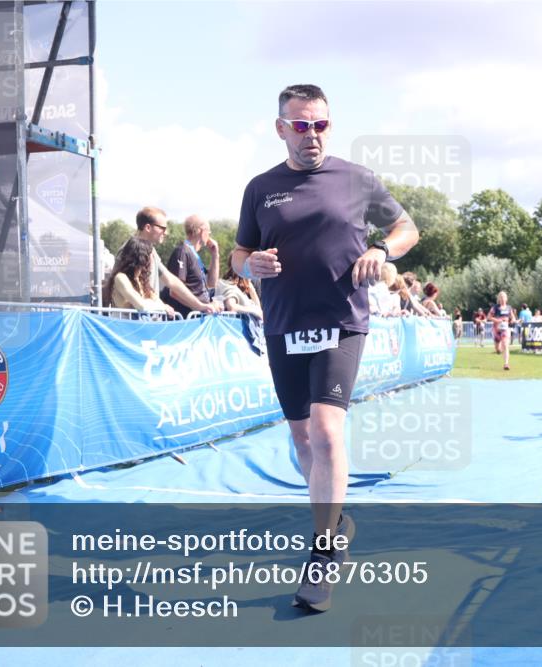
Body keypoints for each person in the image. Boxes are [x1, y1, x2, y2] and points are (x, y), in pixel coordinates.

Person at [232, 84, 419, 612]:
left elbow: (407, 228)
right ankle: (335, 518)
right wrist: (249, 266)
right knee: (301, 440)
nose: (311, 134)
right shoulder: (260, 188)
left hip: (342, 319)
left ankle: (323, 552)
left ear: (329, 126)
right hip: (283, 324)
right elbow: (239, 253)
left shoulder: (356, 179)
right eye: (300, 124)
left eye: (320, 125)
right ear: (280, 128)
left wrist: (382, 248)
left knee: (327, 431)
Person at [129, 206, 220, 316]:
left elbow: (171, 280)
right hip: (133, 322)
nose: (166, 233)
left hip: (147, 319)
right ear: (148, 227)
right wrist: (200, 307)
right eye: (162, 228)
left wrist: (201, 306)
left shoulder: (152, 252)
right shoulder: (131, 250)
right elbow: (129, 286)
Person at [102, 237, 176, 316]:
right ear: (142, 258)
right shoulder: (120, 278)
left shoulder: (141, 280)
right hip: (122, 327)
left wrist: (161, 306)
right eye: (151, 255)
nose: (153, 259)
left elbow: (157, 301)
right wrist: (162, 307)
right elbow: (142, 306)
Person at [162, 214, 219, 317]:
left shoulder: (194, 255)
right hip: (186, 320)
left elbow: (211, 283)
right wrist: (200, 307)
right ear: (202, 231)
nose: (209, 235)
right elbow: (174, 292)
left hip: (197, 317)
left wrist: (215, 255)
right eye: (208, 232)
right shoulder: (183, 251)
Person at [216, 250, 263, 318]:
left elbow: (260, 312)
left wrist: (252, 290)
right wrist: (253, 310)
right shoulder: (228, 285)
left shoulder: (244, 289)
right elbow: (232, 306)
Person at [490, 291, 516, 370]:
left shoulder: (509, 308)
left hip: (505, 330)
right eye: (501, 297)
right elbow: (489, 317)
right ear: (499, 299)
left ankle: (506, 364)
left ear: (506, 299)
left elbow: (513, 317)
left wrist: (512, 320)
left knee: (506, 345)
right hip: (496, 330)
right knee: (498, 349)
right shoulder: (495, 307)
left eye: (504, 297)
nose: (502, 299)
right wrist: (498, 320)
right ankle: (498, 350)